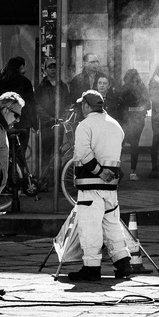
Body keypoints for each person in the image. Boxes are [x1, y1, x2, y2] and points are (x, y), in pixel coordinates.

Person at [67, 89, 131, 282]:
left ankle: (92, 267)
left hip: (90, 185)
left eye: (82, 105)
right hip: (111, 187)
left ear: (87, 105)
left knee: (90, 227)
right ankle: (123, 262)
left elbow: (84, 154)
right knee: (112, 224)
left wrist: (99, 172)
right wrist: (107, 174)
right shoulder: (115, 125)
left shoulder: (84, 126)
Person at [0, 56, 36, 181]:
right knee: (20, 154)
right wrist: (35, 123)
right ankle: (20, 182)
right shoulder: (25, 82)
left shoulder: (5, 81)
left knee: (6, 153)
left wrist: (2, 72)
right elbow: (31, 103)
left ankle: (7, 181)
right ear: (21, 67)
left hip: (6, 122)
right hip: (23, 122)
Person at [34, 60, 70, 167]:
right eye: (50, 67)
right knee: (46, 153)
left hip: (60, 124)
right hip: (46, 125)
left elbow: (68, 104)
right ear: (45, 70)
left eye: (55, 67)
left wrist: (62, 118)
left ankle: (57, 178)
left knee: (57, 153)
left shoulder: (63, 86)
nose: (53, 69)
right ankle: (46, 180)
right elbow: (37, 105)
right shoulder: (41, 87)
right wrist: (49, 118)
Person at [119, 68, 150, 179]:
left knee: (120, 145)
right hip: (138, 120)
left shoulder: (123, 88)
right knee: (135, 145)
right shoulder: (142, 88)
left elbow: (119, 105)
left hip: (124, 120)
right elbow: (148, 105)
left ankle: (116, 168)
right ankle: (133, 172)